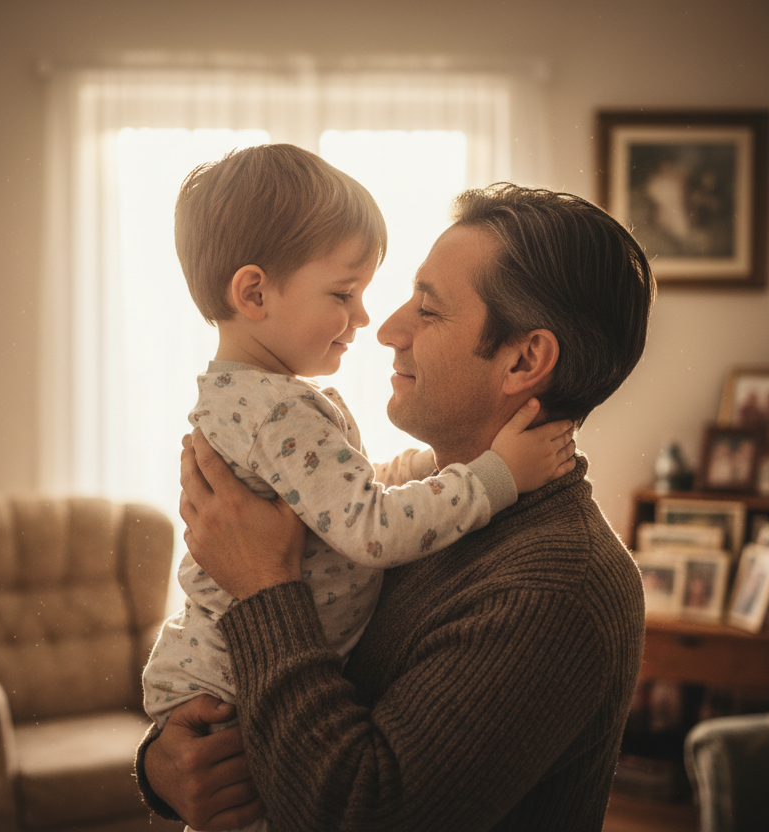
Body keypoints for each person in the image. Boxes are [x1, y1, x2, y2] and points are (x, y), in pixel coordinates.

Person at [136, 181, 656, 832]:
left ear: (525, 359)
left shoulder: (557, 585)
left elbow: (359, 811)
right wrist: (168, 765)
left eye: (428, 311)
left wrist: (263, 587)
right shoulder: (427, 508)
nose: (384, 329)